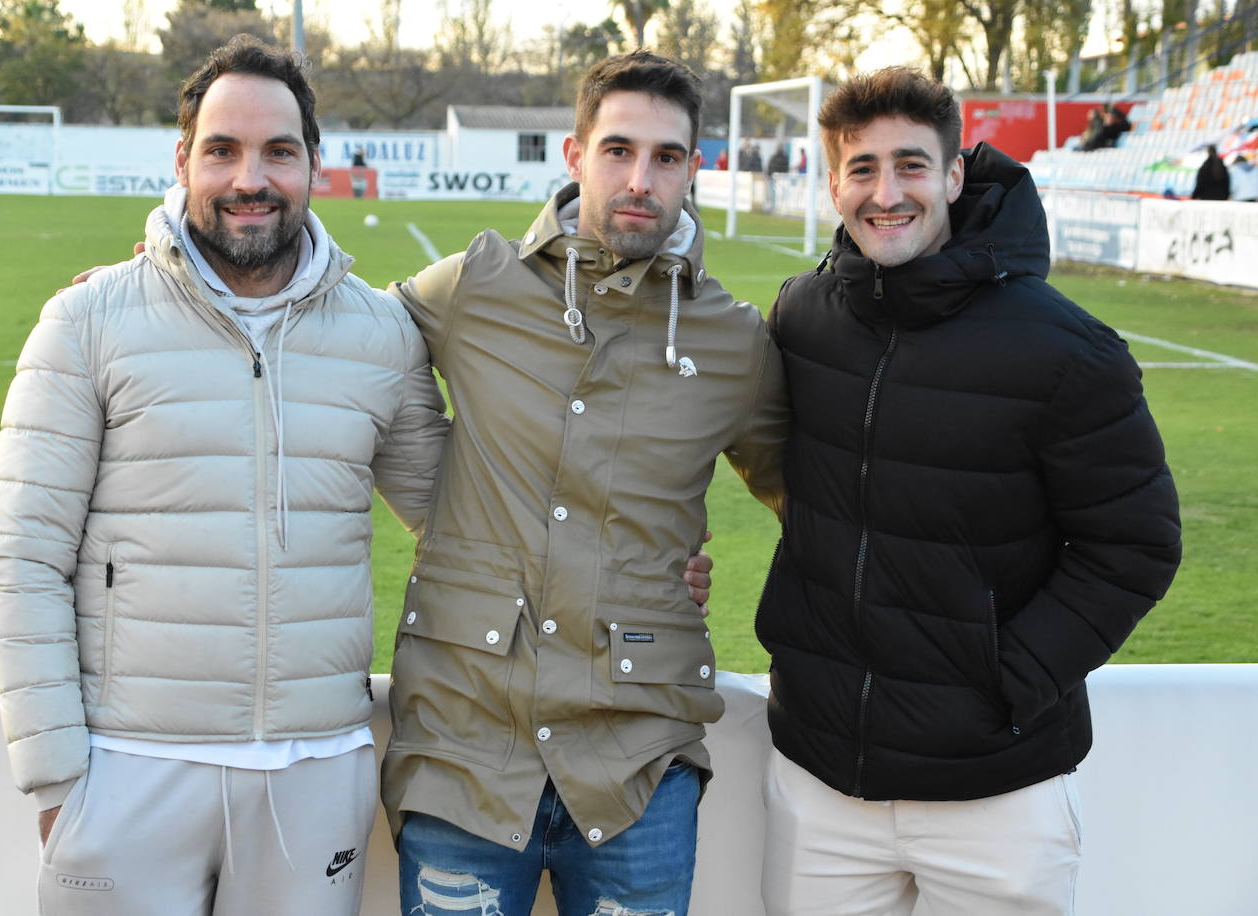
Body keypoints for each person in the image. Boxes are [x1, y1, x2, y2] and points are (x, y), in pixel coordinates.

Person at [0, 35, 449, 915]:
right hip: (129, 769)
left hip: (317, 770)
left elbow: (464, 524)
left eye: (278, 151)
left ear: (314, 163)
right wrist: (56, 784)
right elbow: (21, 559)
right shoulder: (88, 320)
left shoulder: (381, 334)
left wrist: (645, 564)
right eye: (223, 150)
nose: (250, 179)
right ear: (183, 160)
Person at [756, 66, 1182, 915]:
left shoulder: (1066, 348)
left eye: (911, 165)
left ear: (955, 174)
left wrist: (1007, 680)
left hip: (999, 793)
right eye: (863, 168)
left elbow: (1135, 544)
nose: (887, 193)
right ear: (834, 182)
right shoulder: (800, 316)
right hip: (822, 781)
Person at [381, 50, 789, 915]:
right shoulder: (475, 286)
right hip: (465, 751)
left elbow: (814, 499)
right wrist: (166, 290)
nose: (640, 179)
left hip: (636, 768)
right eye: (618, 150)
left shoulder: (732, 342)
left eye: (666, 157)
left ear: (694, 168)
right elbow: (334, 344)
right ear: (574, 155)